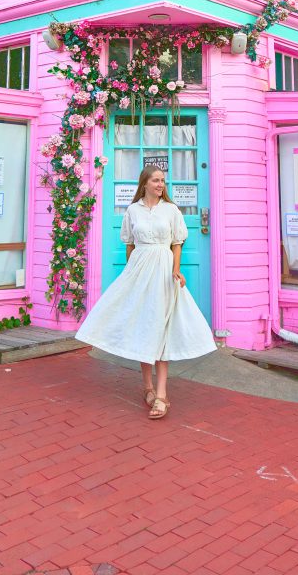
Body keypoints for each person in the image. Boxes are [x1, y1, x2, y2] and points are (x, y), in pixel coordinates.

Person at [75, 165, 217, 419]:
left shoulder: (172, 210)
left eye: (163, 180)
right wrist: (132, 273)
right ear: (144, 183)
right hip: (139, 272)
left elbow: (177, 243)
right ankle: (148, 388)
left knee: (162, 329)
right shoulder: (133, 210)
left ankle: (162, 395)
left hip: (163, 271)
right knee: (144, 326)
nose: (161, 184)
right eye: (156, 180)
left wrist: (176, 270)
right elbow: (130, 244)